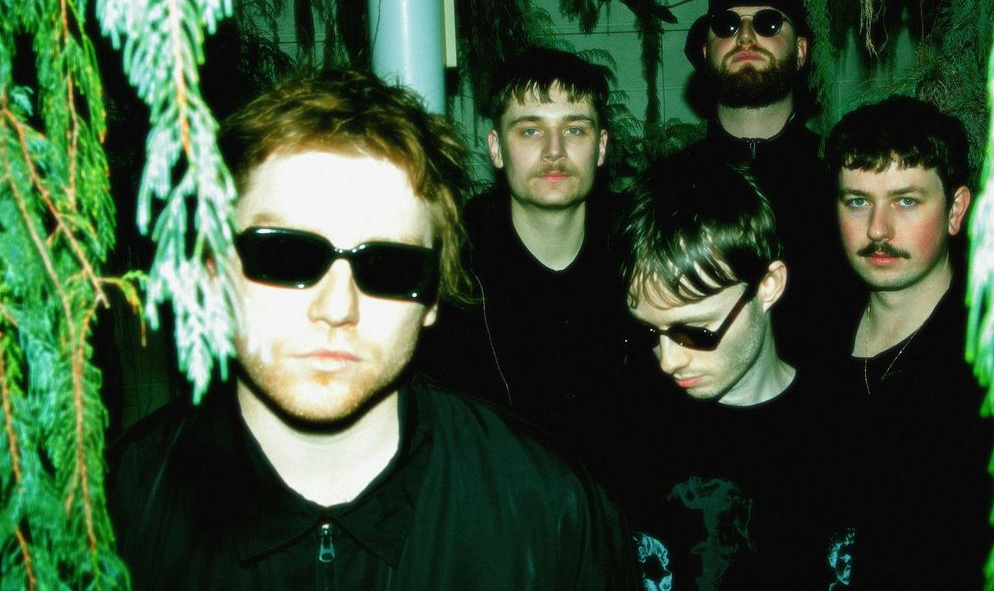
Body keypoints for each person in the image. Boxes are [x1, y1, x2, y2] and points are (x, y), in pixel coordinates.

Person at [108, 70, 639, 590]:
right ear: (212, 273)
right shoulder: (109, 511)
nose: (337, 307)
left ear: (432, 295)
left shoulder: (553, 513)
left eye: (389, 267)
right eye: (285, 256)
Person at [419, 48, 654, 492]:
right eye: (530, 130)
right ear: (496, 148)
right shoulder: (450, 267)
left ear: (602, 147)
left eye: (575, 129)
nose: (554, 151)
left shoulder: (644, 251)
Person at [614, 152, 849, 590]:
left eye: (695, 331)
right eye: (650, 331)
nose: (668, 360)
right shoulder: (628, 429)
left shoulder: (843, 434)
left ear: (768, 286)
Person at [825, 96, 994, 588]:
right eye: (858, 201)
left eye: (906, 201)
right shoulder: (808, 336)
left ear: (956, 210)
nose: (877, 229)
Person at [682, 0, 850, 362]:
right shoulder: (672, 185)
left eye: (768, 22)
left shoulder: (843, 179)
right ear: (706, 52)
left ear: (801, 51)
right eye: (726, 25)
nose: (745, 37)